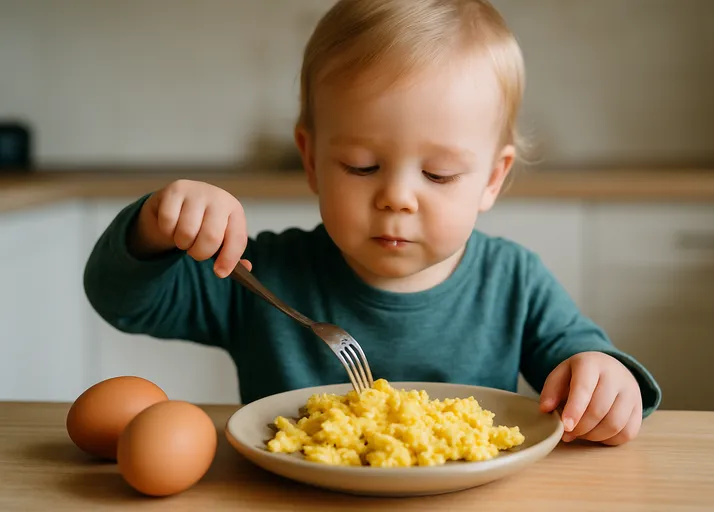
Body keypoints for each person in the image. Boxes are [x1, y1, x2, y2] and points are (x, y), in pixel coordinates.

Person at [84, 0, 661, 446]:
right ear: (311, 160)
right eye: (362, 166)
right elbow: (123, 301)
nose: (396, 199)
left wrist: (603, 375)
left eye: (438, 174)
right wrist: (154, 227)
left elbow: (581, 359)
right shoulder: (263, 274)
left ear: (492, 177)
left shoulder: (514, 281)